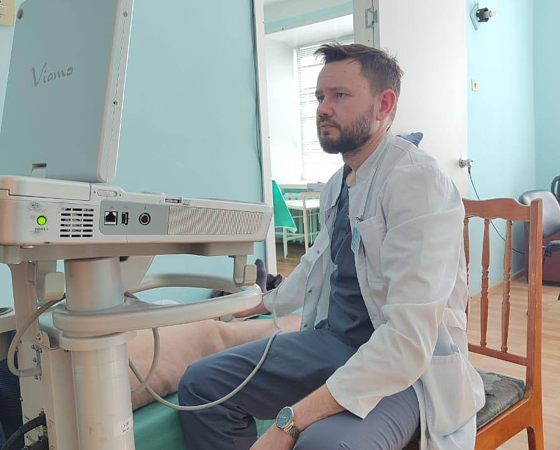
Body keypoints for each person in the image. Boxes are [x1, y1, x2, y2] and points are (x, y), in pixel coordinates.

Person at [178, 43, 484, 450]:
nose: (323, 108)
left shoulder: (419, 184)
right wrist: (260, 302)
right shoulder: (339, 183)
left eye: (340, 95)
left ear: (383, 105)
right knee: (202, 386)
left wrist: (288, 424)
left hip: (405, 369)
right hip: (335, 342)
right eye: (320, 97)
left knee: (322, 444)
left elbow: (408, 341)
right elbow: (317, 261)